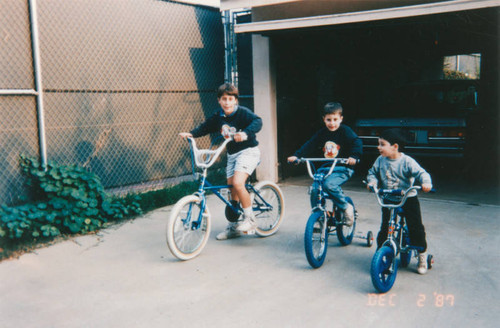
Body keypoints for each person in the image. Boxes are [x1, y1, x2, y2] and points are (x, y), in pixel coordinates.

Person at [179, 83, 262, 240]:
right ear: (219, 100)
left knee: (238, 183)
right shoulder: (218, 116)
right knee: (231, 189)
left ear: (235, 100)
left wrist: (245, 133)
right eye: (224, 99)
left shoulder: (243, 113)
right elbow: (205, 127)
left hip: (248, 151)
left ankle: (250, 219)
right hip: (232, 154)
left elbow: (258, 121)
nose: (227, 102)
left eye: (231, 99)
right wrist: (191, 134)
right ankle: (233, 227)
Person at [366, 128, 433, 274]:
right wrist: (372, 182)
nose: (379, 147)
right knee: (385, 227)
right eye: (379, 144)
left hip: (407, 198)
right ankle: (381, 253)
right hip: (389, 198)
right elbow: (372, 173)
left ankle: (422, 255)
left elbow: (422, 173)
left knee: (415, 227)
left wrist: (426, 183)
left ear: (395, 147)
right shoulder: (380, 160)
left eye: (382, 144)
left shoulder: (407, 161)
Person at [287, 101, 362, 226]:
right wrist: (297, 156)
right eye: (328, 120)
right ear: (324, 119)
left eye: (335, 119)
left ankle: (345, 207)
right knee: (315, 189)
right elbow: (310, 144)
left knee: (329, 185)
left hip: (343, 168)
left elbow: (356, 142)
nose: (332, 123)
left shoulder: (345, 131)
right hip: (325, 169)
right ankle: (318, 215)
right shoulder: (322, 133)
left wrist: (354, 156)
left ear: (341, 119)